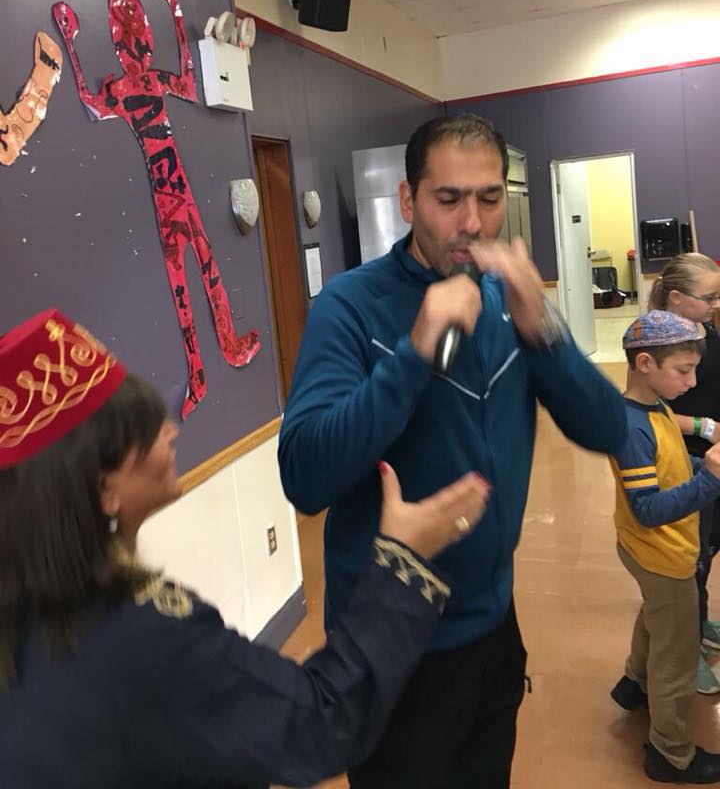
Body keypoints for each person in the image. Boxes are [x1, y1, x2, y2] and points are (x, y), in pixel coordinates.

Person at [0, 307, 492, 788]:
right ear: (103, 488)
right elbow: (321, 723)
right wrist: (404, 560)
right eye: (146, 430)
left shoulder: (26, 612)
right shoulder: (143, 637)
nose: (171, 431)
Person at [279, 114, 627, 789]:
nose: (472, 222)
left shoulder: (510, 301)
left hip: (492, 627)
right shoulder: (350, 306)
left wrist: (541, 327)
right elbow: (306, 477)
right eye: (448, 199)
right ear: (408, 201)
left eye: (489, 198)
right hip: (393, 641)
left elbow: (610, 429)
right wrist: (415, 354)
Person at [608, 310, 720, 783]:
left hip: (647, 552)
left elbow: (671, 467)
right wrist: (710, 479)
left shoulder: (652, 406)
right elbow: (648, 509)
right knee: (676, 655)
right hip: (663, 554)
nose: (691, 382)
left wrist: (699, 460)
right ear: (645, 364)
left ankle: (634, 683)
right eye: (684, 371)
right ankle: (670, 753)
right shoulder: (633, 430)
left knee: (656, 616)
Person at [647, 253, 720, 694]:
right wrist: (704, 426)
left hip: (712, 461)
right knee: (690, 558)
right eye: (708, 297)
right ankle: (687, 647)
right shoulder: (659, 344)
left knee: (708, 549)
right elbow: (643, 411)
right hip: (687, 462)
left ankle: (701, 622)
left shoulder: (703, 329)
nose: (715, 304)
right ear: (676, 297)